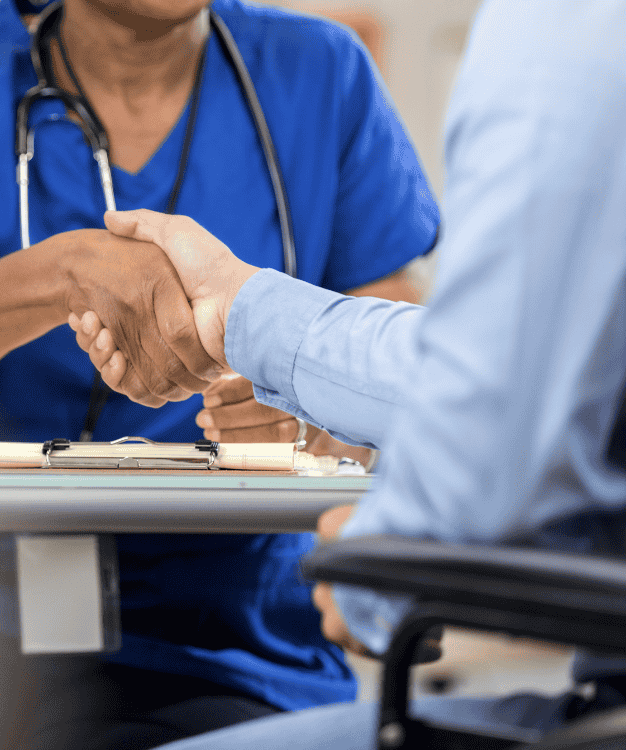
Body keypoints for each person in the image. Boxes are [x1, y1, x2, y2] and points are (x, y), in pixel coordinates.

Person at [0, 0, 439, 748]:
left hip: (222, 630)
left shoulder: (321, 73)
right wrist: (67, 270)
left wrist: (310, 416)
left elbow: (402, 372)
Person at [69, 1, 626, 747]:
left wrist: (376, 568)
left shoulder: (566, 29)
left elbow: (496, 435)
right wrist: (240, 311)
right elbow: (499, 363)